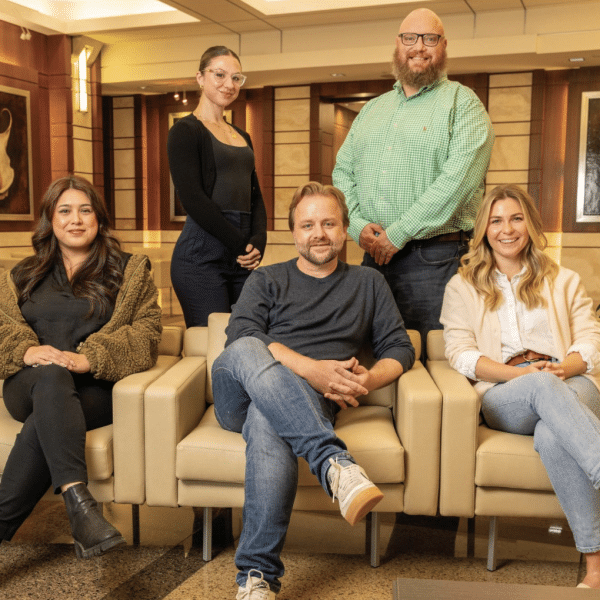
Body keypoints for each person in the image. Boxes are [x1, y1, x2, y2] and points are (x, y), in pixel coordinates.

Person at [211, 182, 415, 599]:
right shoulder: (266, 278)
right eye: (307, 225)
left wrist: (367, 380)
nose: (318, 233)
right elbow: (240, 333)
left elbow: (400, 347)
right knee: (249, 344)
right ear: (294, 233)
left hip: (299, 407)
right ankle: (334, 462)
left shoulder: (368, 283)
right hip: (239, 392)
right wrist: (312, 370)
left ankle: (257, 579)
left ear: (344, 231)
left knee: (269, 420)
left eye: (328, 223)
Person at [441, 184, 600, 589]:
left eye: (516, 218)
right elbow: (460, 354)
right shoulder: (462, 285)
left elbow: (591, 338)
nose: (507, 229)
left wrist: (566, 366)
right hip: (505, 393)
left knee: (552, 434)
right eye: (496, 221)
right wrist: (522, 376)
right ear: (483, 229)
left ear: (529, 224)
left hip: (571, 380)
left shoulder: (563, 279)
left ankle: (596, 570)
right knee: (541, 388)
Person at [0, 175, 162, 558]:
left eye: (85, 210)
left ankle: (74, 504)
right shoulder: (22, 274)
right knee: (51, 374)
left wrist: (91, 358)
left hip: (93, 389)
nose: (76, 219)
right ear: (50, 221)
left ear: (99, 219)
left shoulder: (128, 270)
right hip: (27, 384)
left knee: (45, 423)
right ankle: (82, 508)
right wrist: (26, 351)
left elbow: (148, 335)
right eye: (65, 211)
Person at [332, 8, 494, 358]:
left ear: (443, 46)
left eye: (429, 39)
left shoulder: (463, 103)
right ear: (397, 44)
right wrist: (357, 226)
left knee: (434, 359)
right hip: (373, 257)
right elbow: (342, 173)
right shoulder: (372, 110)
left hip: (435, 261)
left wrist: (399, 233)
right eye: (410, 38)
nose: (419, 47)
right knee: (371, 353)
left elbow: (457, 183)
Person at [168, 45, 267, 327]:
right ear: (200, 77)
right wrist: (241, 244)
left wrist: (258, 240)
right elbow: (193, 200)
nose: (229, 84)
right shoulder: (185, 131)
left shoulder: (242, 135)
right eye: (220, 75)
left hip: (240, 254)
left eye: (236, 78)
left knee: (247, 337)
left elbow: (255, 196)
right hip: (201, 256)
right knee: (212, 343)